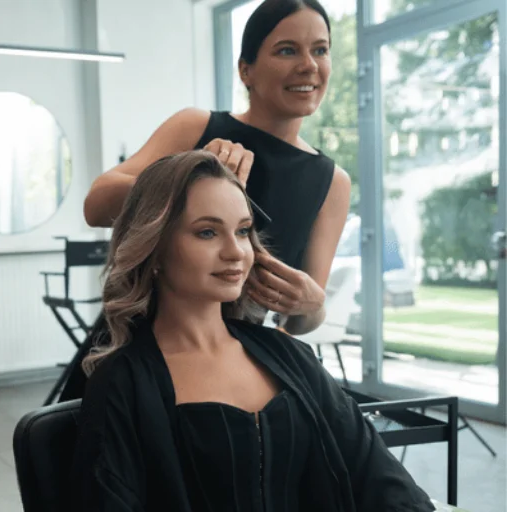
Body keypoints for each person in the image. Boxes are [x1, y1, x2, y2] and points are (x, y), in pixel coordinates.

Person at [71, 151, 434, 512]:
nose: (235, 252)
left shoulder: (289, 355)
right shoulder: (122, 383)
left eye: (243, 231)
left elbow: (381, 479)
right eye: (207, 232)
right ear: (155, 249)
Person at [58, 0, 351, 403]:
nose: (308, 65)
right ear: (246, 70)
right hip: (133, 357)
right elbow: (96, 206)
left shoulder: (332, 182)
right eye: (287, 50)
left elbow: (300, 319)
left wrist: (313, 304)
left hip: (228, 375)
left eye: (320, 50)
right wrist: (187, 175)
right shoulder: (197, 127)